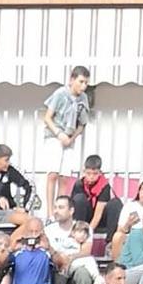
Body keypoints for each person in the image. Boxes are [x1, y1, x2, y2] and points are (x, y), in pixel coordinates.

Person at [38, 66, 91, 206]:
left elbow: (82, 123)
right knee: (53, 174)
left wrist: (71, 138)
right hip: (54, 135)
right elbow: (48, 117)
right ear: (72, 80)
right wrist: (59, 134)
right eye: (81, 81)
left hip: (69, 137)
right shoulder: (61, 93)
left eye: (86, 83)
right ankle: (49, 211)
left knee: (64, 177)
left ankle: (61, 208)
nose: (83, 86)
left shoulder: (83, 98)